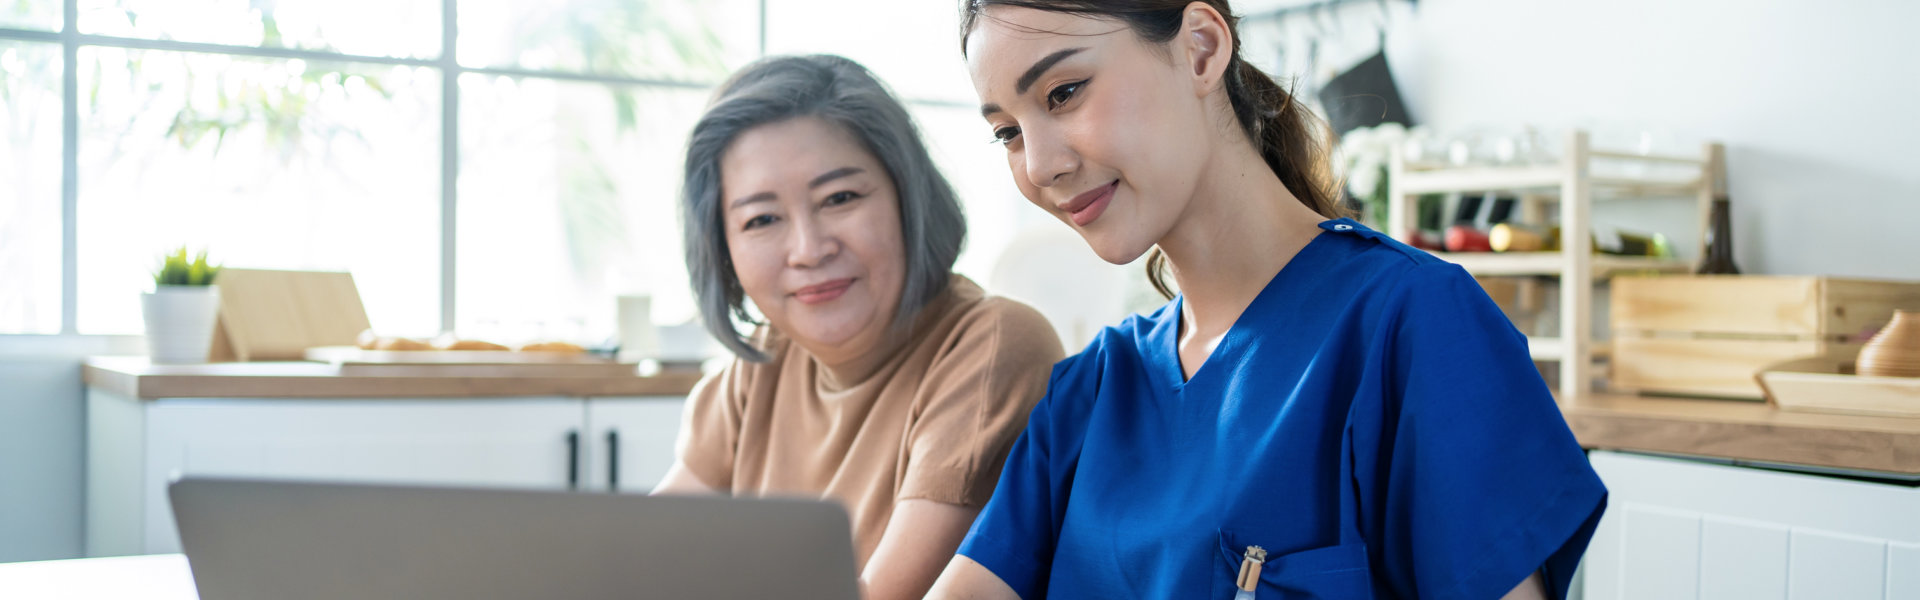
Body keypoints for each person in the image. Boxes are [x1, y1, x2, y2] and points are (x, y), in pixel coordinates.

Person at [927, 2, 1608, 599]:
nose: (1040, 165)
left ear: (1200, 48)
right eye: (1007, 132)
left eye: (1063, 92)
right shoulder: (1090, 394)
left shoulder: (1413, 325)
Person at [649, 54, 1065, 600]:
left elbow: (884, 595)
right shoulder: (761, 364)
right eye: (762, 219)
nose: (809, 249)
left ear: (905, 197)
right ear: (721, 247)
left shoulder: (992, 345)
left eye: (840, 198)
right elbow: (640, 560)